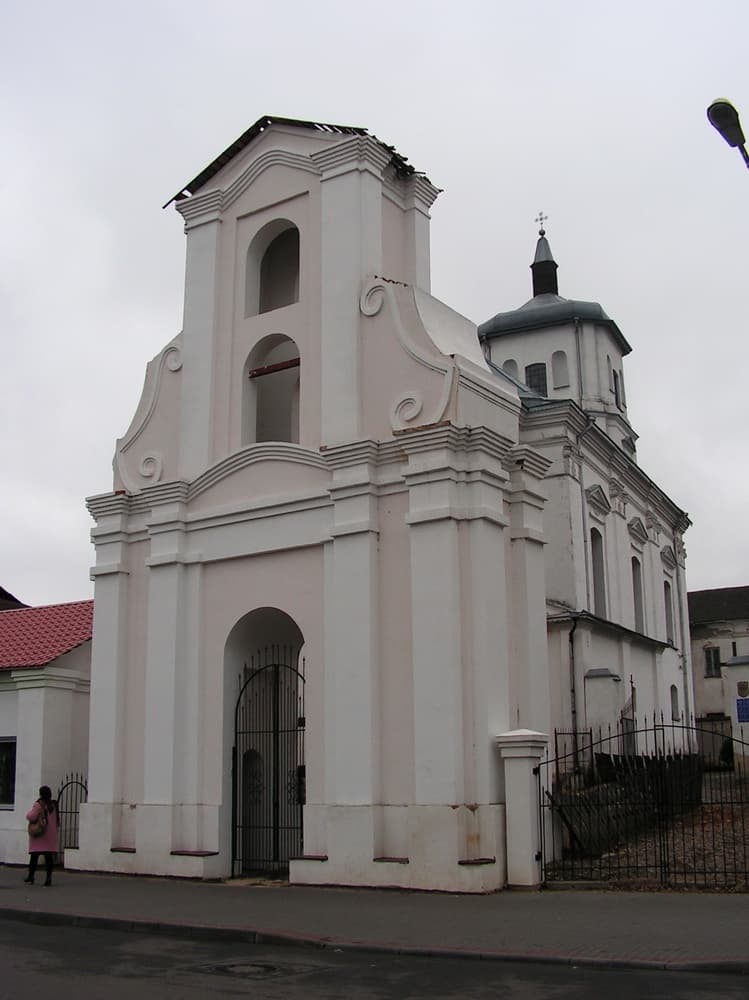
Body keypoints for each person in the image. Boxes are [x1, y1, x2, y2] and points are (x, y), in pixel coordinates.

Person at [24, 786, 59, 886]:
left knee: (34, 857)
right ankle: (48, 878)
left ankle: (31, 876)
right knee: (49, 858)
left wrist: (28, 813)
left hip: (40, 835)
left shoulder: (39, 804)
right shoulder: (53, 805)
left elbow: (31, 816)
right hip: (50, 835)